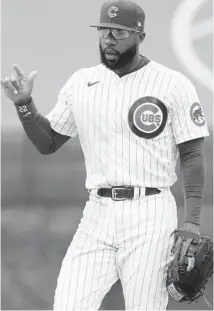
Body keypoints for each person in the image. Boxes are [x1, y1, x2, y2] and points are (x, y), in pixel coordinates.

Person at [1, 0, 209, 310]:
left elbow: (191, 154)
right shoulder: (81, 83)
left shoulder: (172, 84)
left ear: (140, 36)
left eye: (119, 32)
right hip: (97, 211)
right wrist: (25, 106)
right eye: (104, 31)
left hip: (150, 212)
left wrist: (191, 223)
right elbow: (49, 142)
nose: (108, 40)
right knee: (68, 305)